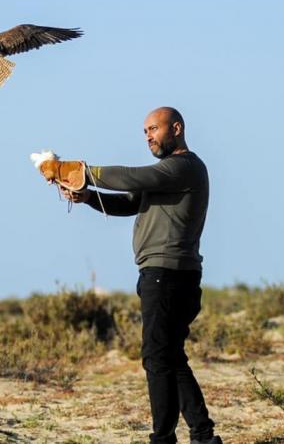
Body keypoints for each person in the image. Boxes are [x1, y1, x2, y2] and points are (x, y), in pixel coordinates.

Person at [58, 107, 221, 444]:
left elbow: (133, 179)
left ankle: (163, 439)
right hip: (165, 274)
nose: (148, 136)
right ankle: (204, 436)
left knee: (156, 357)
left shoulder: (184, 167)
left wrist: (83, 171)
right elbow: (128, 201)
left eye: (154, 129)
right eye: (144, 131)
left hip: (168, 275)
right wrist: (88, 196)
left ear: (176, 128)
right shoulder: (166, 174)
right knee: (170, 355)